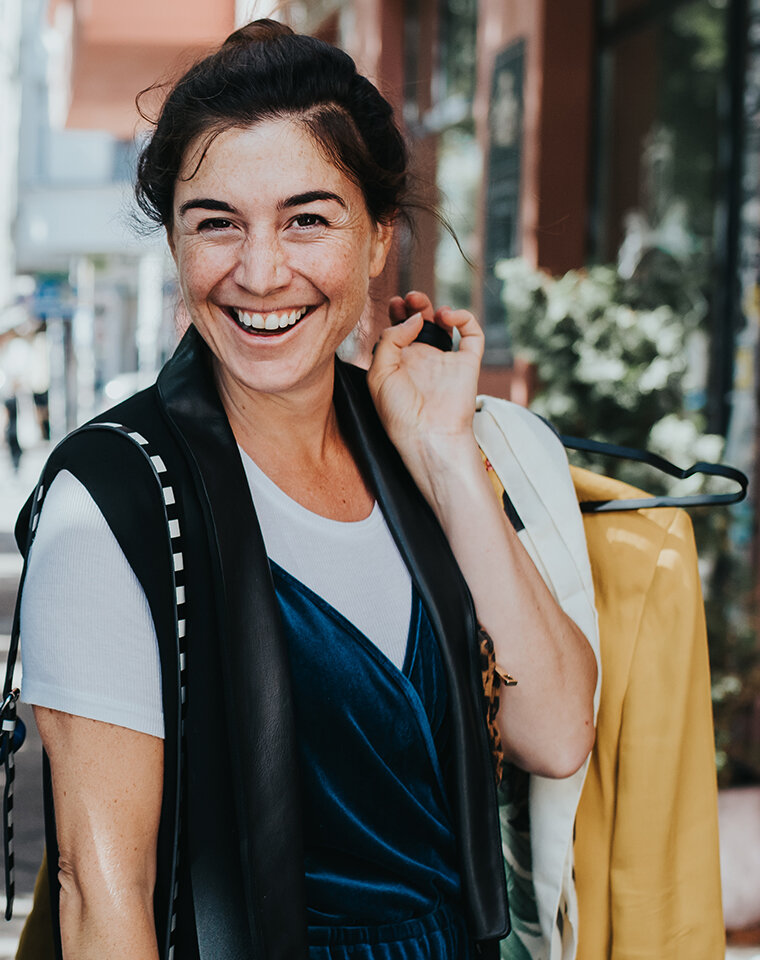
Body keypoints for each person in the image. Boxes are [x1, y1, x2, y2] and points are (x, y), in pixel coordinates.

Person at [15, 20, 597, 960]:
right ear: (174, 242)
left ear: (376, 240)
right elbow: (101, 893)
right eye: (216, 222)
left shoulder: (410, 447)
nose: (260, 272)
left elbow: (558, 731)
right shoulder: (112, 502)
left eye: (306, 218)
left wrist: (446, 455)